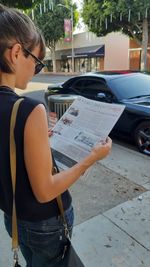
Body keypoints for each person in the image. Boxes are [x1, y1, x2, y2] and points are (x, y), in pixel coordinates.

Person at [0, 4, 112, 267]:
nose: (36, 70)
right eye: (37, 63)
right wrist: (91, 158)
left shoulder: (21, 112)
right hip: (44, 224)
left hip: (13, 218)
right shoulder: (28, 108)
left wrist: (37, 137)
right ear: (17, 53)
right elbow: (45, 191)